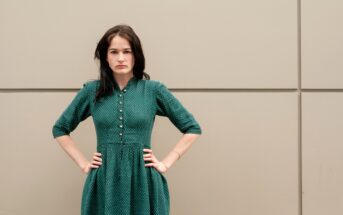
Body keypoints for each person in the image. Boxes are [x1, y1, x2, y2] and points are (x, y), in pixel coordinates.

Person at [52, 24, 202, 215]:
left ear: (135, 55)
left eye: (127, 51)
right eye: (114, 52)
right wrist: (83, 163)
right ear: (105, 57)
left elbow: (192, 127)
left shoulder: (153, 90)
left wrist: (166, 162)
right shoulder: (92, 92)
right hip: (105, 180)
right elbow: (60, 128)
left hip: (144, 180)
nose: (121, 58)